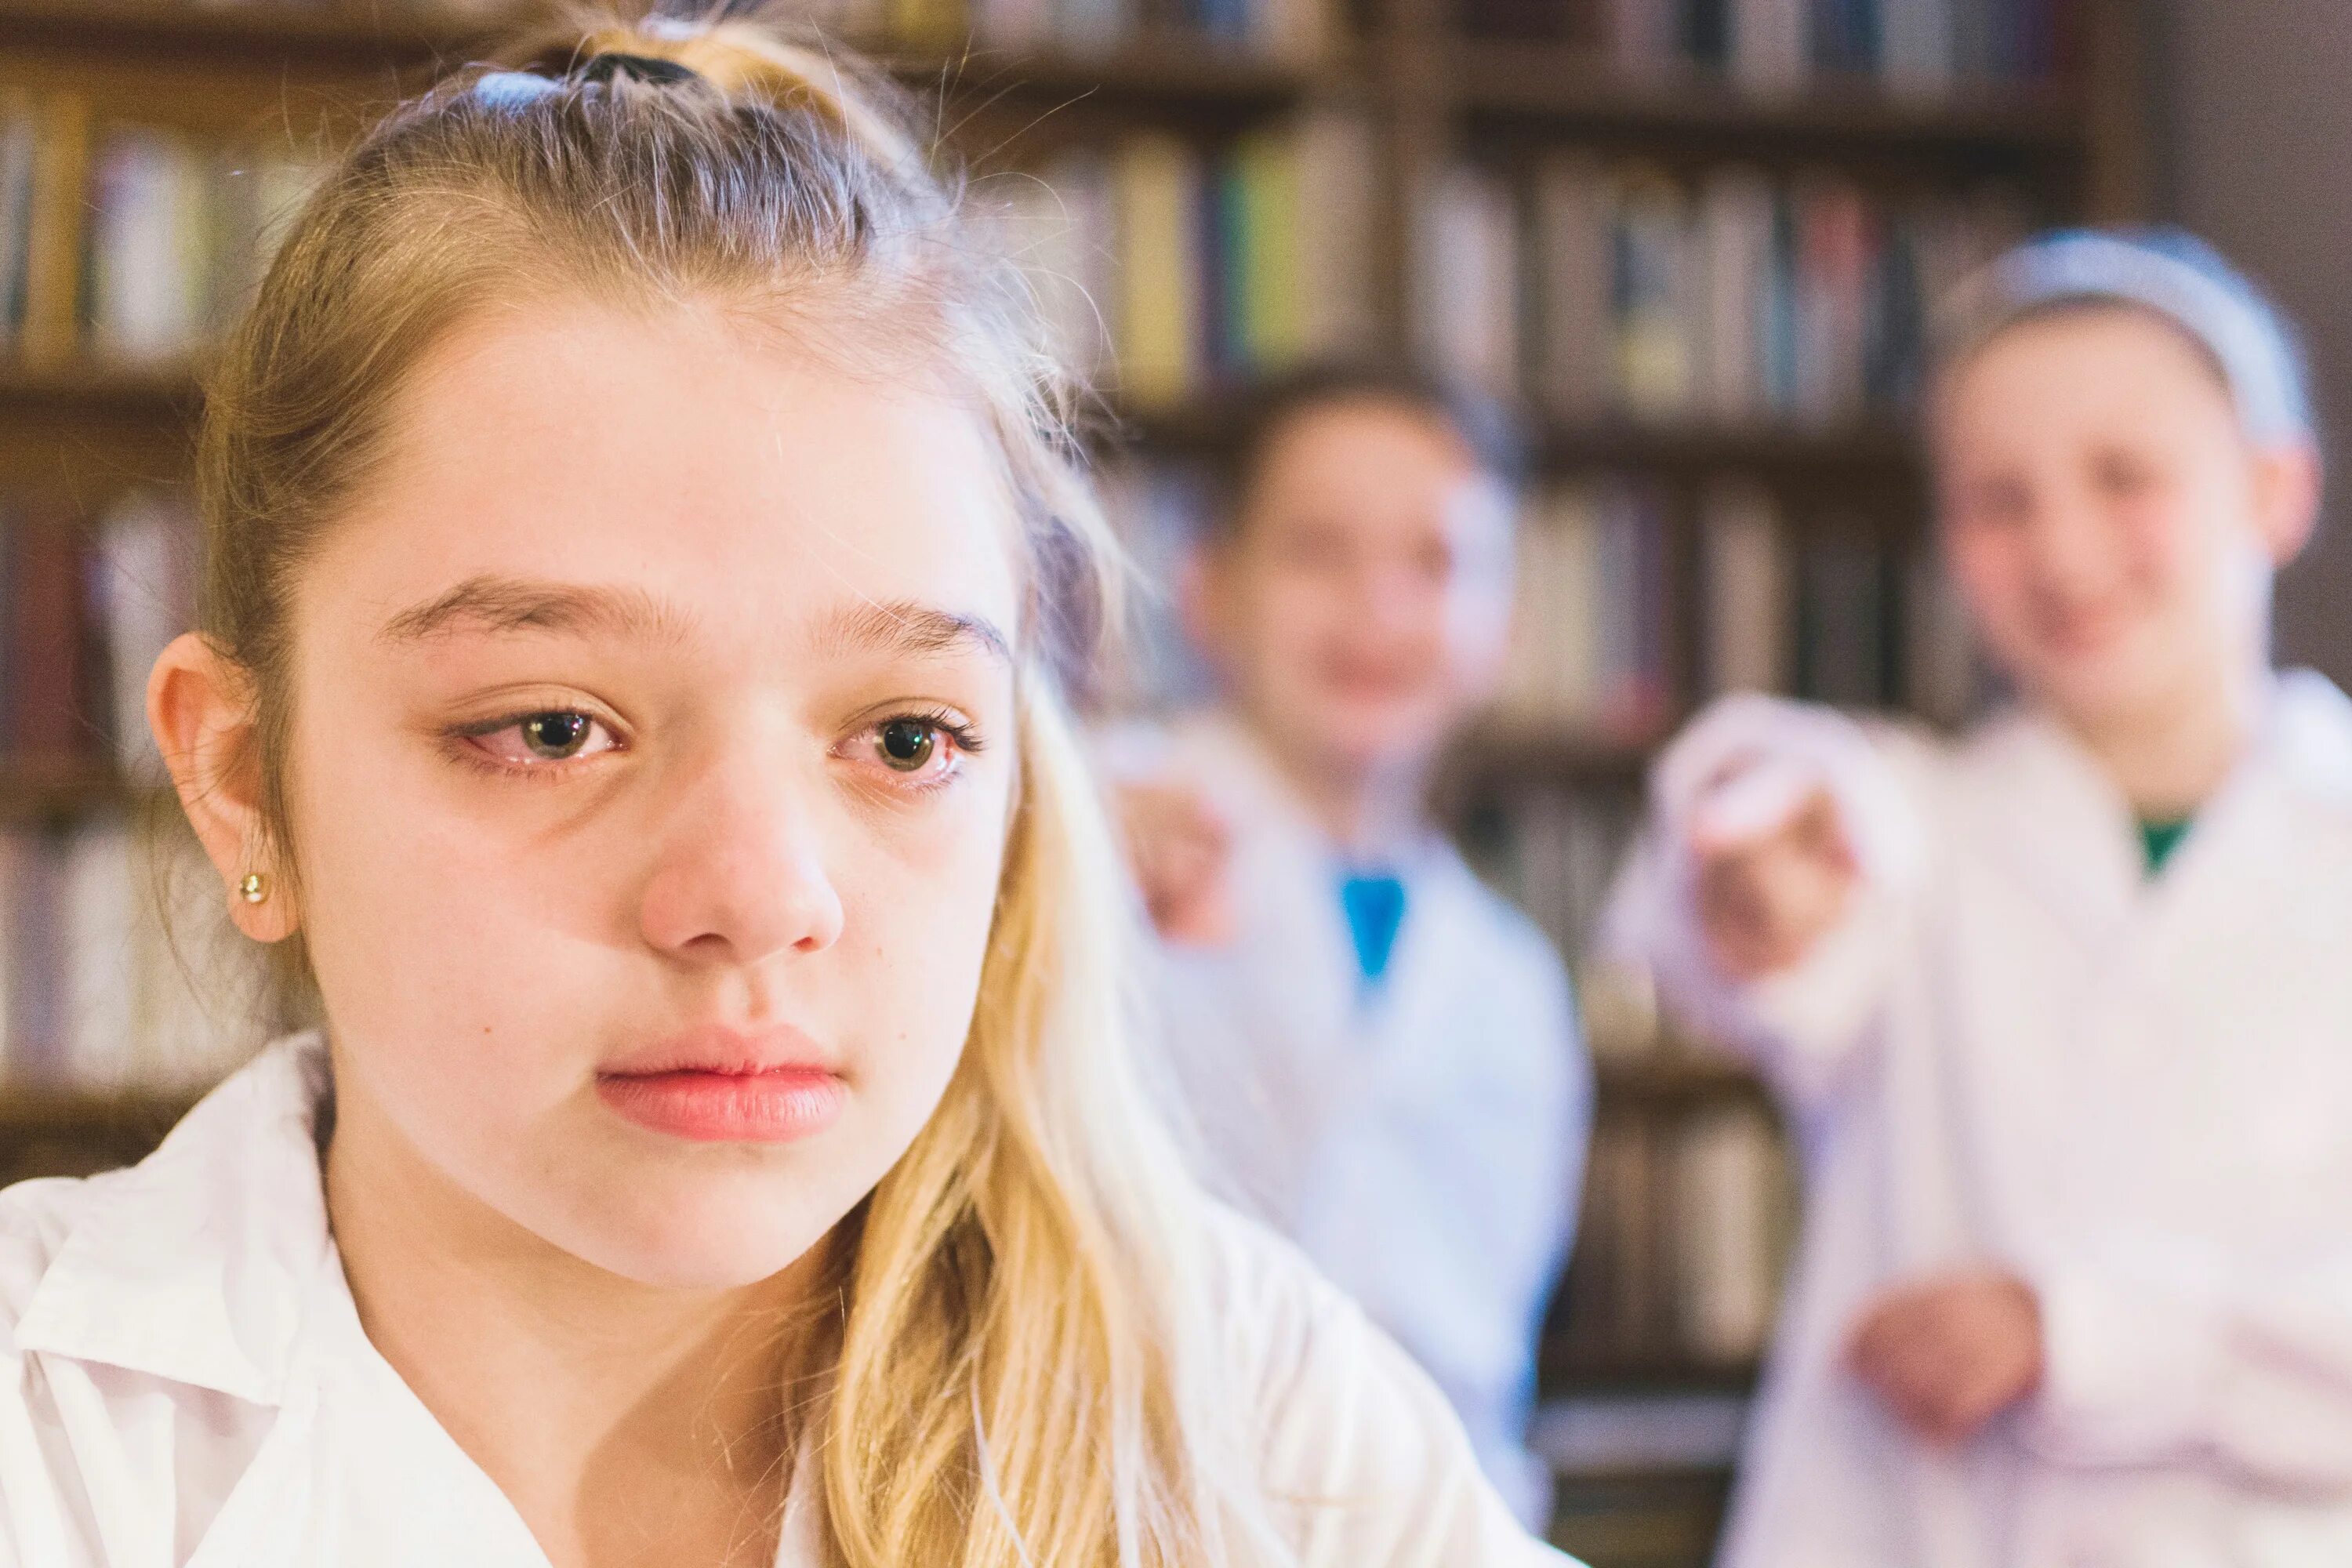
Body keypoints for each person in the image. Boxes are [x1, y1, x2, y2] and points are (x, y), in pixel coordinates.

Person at [0, 15, 1579, 1567]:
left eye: (904, 740)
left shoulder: (1257, 1418)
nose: (760, 894)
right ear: (240, 777)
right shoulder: (47, 1435)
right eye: (553, 727)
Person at [1605, 227, 2352, 1566]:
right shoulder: (1911, 828)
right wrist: (1753, 854)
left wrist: (2077, 1337)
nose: (2062, 551)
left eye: (2125, 477)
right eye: (1996, 502)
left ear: (2276, 491)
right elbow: (1747, 905)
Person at [1113, 366, 1592, 1527]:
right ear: (1209, 588)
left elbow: (1483, 1366)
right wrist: (1067, 851)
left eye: (1432, 563)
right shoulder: (1094, 819)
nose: (1377, 611)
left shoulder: (1512, 980)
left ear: (1506, 625)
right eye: (1318, 550)